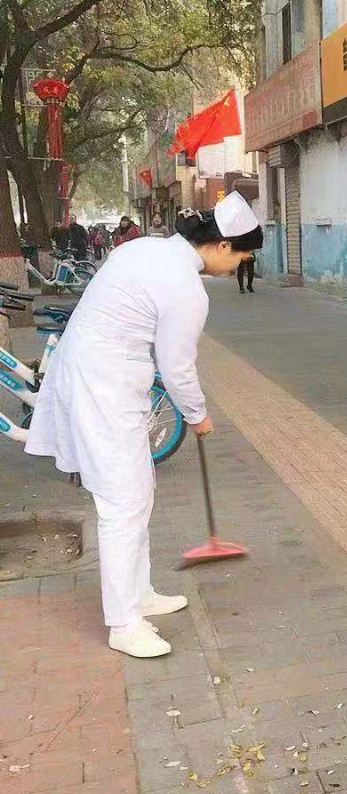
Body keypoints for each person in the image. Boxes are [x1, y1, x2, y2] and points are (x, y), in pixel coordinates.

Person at [25, 193, 263, 659]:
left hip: (100, 376)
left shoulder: (146, 248)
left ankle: (140, 593)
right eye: (241, 256)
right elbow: (177, 367)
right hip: (102, 386)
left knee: (138, 492)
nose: (241, 264)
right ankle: (124, 623)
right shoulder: (185, 286)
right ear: (220, 246)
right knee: (123, 502)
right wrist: (197, 415)